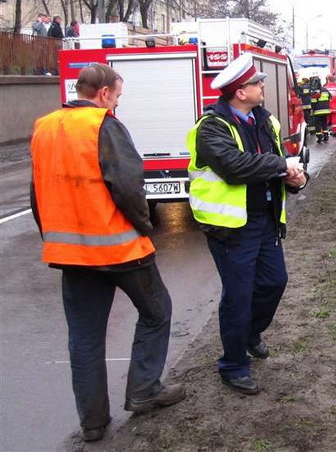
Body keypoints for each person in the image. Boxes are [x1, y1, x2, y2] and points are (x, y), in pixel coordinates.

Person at [30, 64, 185, 443]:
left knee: (84, 337)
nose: (117, 102)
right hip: (119, 248)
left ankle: (93, 422)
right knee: (156, 311)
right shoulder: (104, 125)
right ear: (102, 94)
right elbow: (129, 187)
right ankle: (144, 389)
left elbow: (38, 193)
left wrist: (51, 235)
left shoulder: (44, 127)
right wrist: (145, 227)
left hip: (69, 253)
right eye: (117, 95)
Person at [186, 55, 308, 395]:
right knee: (238, 295)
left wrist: (296, 178)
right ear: (240, 92)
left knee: (274, 282)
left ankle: (250, 333)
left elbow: (278, 165)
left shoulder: (265, 121)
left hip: (265, 221)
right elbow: (235, 167)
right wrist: (281, 165)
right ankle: (233, 364)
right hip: (232, 227)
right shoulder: (211, 127)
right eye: (257, 83)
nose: (262, 86)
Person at [310, 76, 331, 143]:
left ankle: (319, 137)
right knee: (324, 124)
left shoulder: (315, 91)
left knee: (318, 124)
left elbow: (313, 102)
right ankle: (326, 136)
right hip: (326, 110)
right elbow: (330, 97)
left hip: (318, 111)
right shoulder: (325, 89)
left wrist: (312, 110)